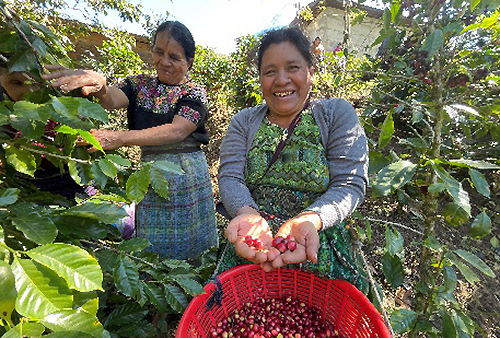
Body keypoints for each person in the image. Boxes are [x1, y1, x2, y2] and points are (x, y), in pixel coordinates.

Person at [42, 21, 218, 260]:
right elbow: (112, 99)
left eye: (174, 57)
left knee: (192, 241)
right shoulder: (139, 84)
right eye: (158, 52)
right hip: (150, 173)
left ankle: (199, 288)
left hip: (186, 173)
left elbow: (177, 131)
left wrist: (118, 138)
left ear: (189, 62)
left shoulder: (194, 93)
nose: (164, 62)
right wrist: (101, 86)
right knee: (153, 243)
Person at [218, 27, 368, 289]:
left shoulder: (335, 114)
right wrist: (247, 213)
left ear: (310, 71)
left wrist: (310, 219)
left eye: (293, 67)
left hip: (318, 246)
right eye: (270, 71)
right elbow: (231, 177)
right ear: (261, 78)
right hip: (254, 248)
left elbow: (349, 184)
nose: (281, 80)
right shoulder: (244, 122)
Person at [0, 62, 86, 200]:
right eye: (16, 83)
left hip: (67, 181)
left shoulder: (63, 101)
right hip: (22, 188)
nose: (29, 91)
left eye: (36, 82)